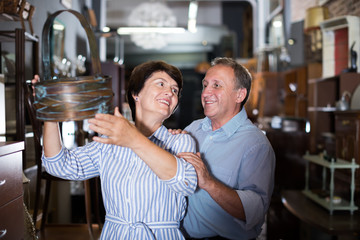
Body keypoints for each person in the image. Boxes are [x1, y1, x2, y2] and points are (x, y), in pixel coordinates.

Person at [35, 60, 198, 239]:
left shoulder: (180, 141)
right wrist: (50, 111)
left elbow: (186, 183)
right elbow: (58, 166)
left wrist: (132, 138)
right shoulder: (109, 142)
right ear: (136, 93)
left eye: (175, 90)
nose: (169, 92)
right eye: (161, 84)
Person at [176, 57, 276, 240]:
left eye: (216, 86)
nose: (206, 93)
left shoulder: (255, 145)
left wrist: (209, 182)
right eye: (205, 85)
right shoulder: (193, 129)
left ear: (240, 95)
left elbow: (254, 212)